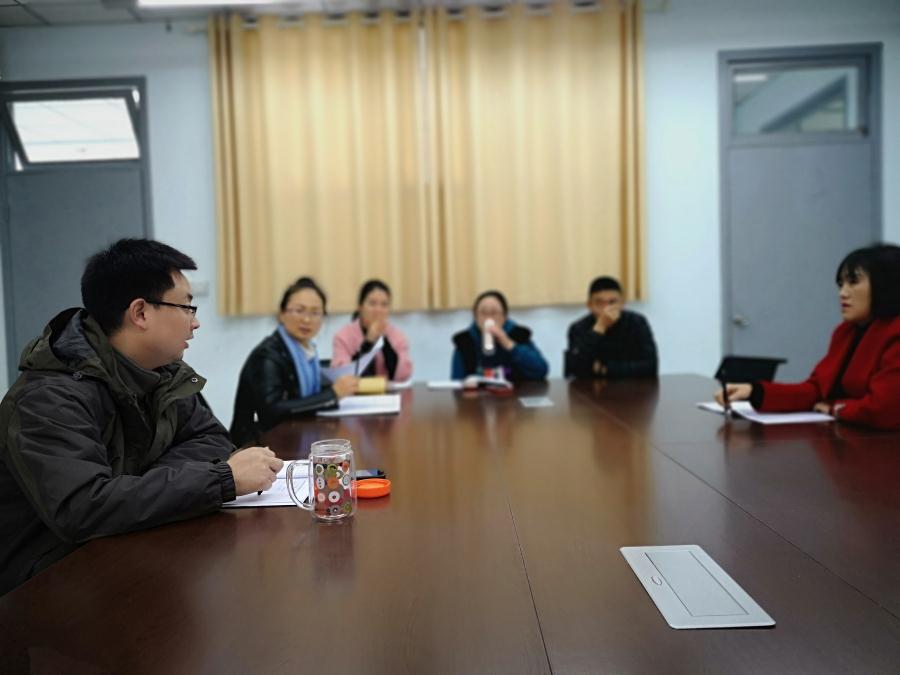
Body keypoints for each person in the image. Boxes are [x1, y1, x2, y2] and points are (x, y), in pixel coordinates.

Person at [0, 239, 281, 596]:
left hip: (127, 548)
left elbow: (211, 439)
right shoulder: (47, 399)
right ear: (141, 313)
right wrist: (220, 480)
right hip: (46, 585)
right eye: (187, 307)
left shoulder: (160, 374)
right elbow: (83, 509)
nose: (195, 323)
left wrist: (137, 488)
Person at [715, 244, 900, 430]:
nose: (843, 293)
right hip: (849, 436)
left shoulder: (895, 333)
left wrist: (835, 408)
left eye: (853, 282)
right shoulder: (845, 332)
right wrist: (754, 392)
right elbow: (815, 390)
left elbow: (884, 409)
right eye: (841, 284)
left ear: (885, 285)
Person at [231, 277, 358, 446]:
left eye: (315, 313)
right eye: (300, 310)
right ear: (282, 313)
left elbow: (303, 397)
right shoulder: (267, 355)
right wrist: (332, 394)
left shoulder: (307, 352)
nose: (307, 320)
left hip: (292, 437)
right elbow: (273, 411)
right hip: (257, 445)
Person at [566, 276, 658, 378]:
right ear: (589, 305)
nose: (606, 309)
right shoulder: (578, 328)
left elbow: (651, 366)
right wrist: (599, 327)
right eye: (599, 303)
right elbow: (575, 369)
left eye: (612, 302)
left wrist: (605, 369)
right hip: (591, 387)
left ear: (622, 303)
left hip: (631, 385)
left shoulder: (637, 322)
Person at [451, 290, 548, 382]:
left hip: (514, 392)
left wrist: (509, 344)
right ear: (475, 316)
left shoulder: (518, 335)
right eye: (483, 313)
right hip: (479, 394)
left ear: (505, 316)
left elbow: (541, 371)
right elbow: (456, 381)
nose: (488, 318)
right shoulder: (464, 341)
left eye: (494, 313)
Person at [331, 279, 413, 382]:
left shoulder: (397, 335)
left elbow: (404, 375)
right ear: (360, 307)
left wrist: (383, 339)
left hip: (387, 391)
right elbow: (342, 375)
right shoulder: (343, 336)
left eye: (384, 305)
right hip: (355, 391)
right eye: (372, 303)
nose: (378, 310)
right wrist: (368, 342)